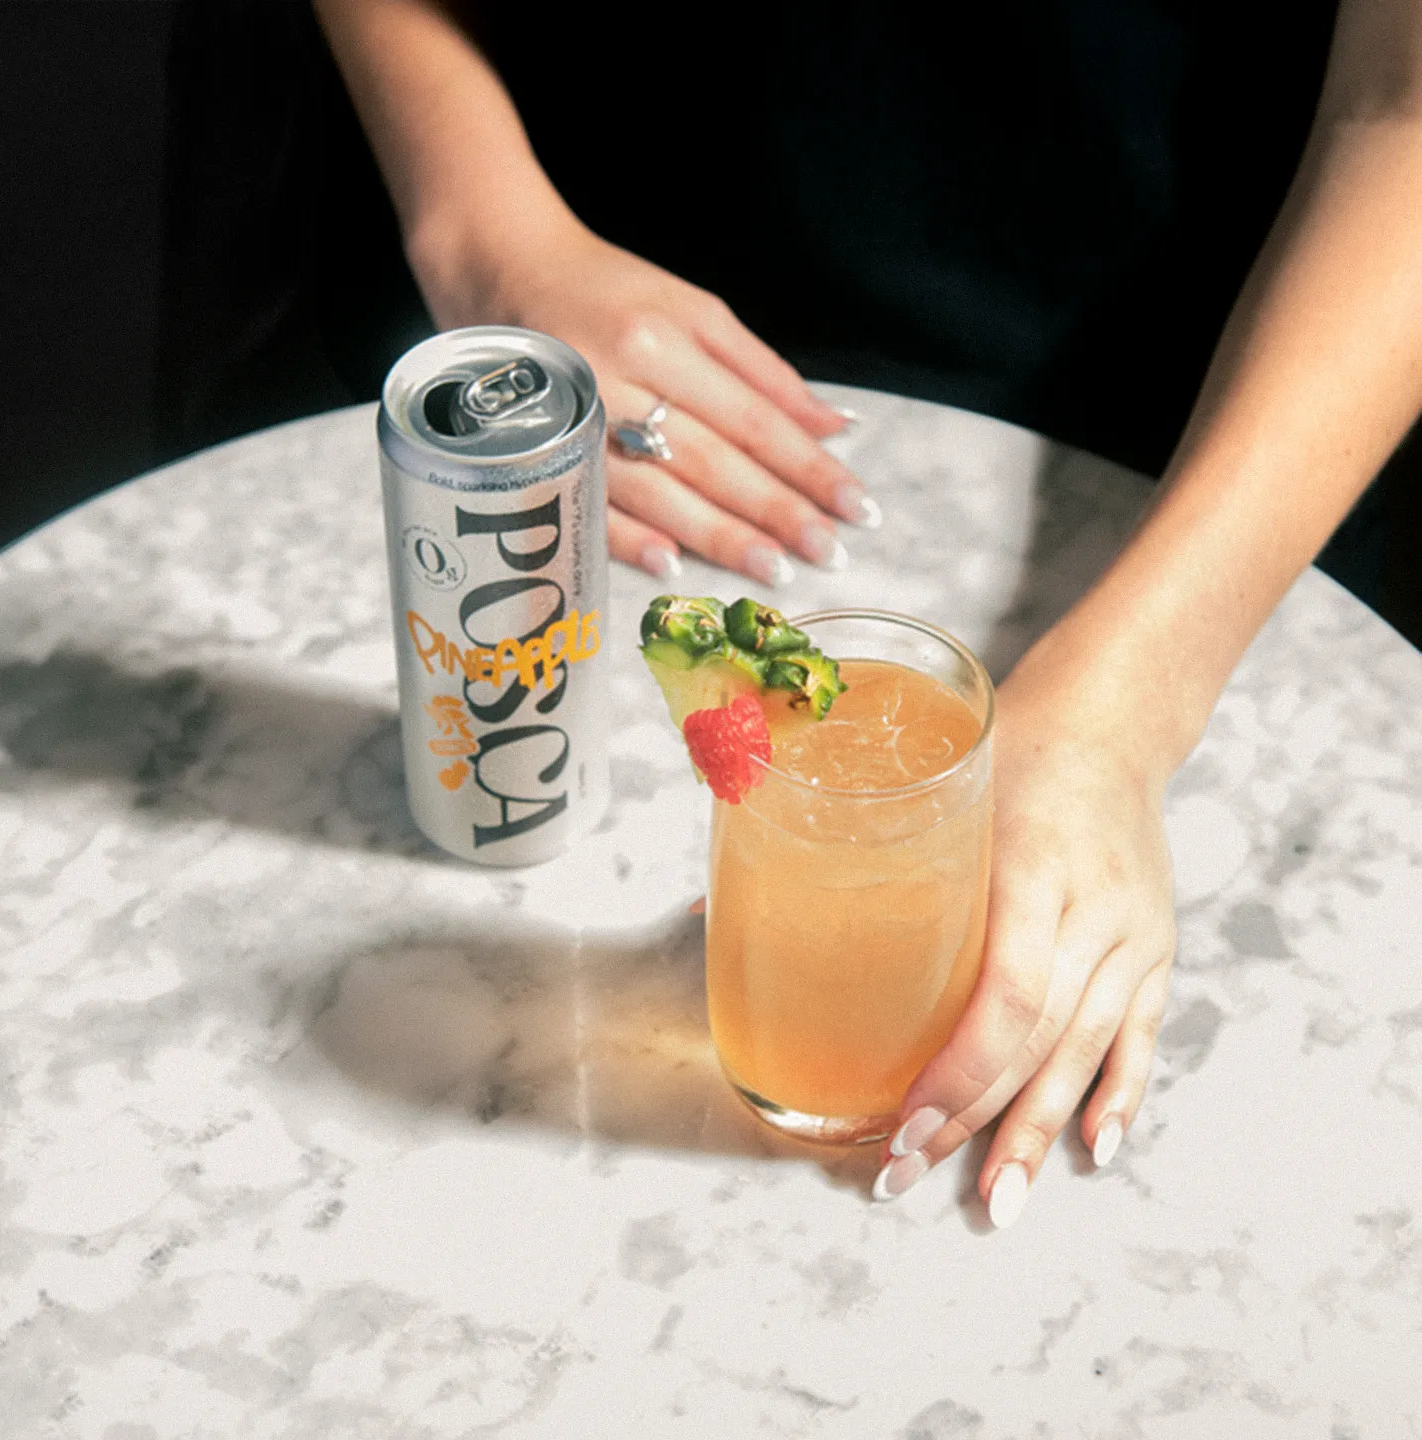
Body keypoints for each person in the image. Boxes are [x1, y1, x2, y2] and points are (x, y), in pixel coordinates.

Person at [306, 0, 1422, 1224]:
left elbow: (1404, 107)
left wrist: (1122, 717)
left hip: (1179, 413)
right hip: (567, 276)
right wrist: (486, 229)